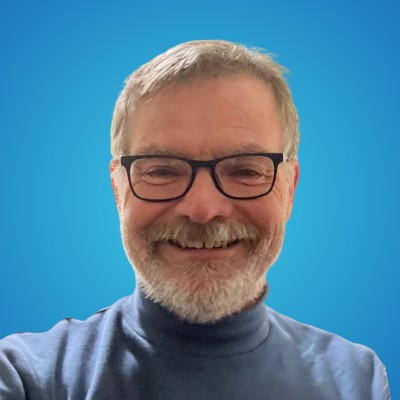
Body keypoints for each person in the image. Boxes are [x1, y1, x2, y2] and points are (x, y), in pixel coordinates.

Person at [0, 40, 391, 400]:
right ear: (119, 190)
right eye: (161, 170)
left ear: (289, 190)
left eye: (246, 170)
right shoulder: (29, 376)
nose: (203, 209)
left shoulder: (358, 380)